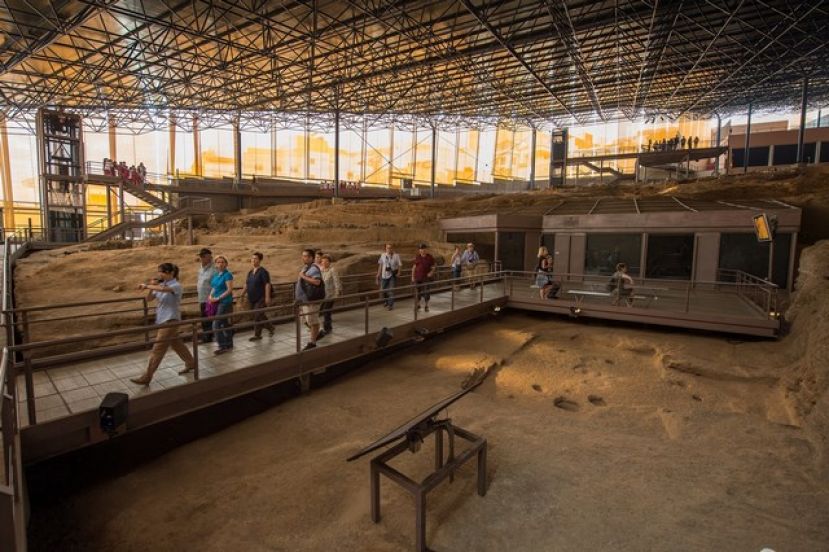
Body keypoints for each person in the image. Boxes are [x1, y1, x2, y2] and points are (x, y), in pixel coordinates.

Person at [131, 263, 195, 385]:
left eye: (162, 272)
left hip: (171, 320)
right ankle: (191, 363)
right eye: (159, 271)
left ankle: (147, 376)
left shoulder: (176, 285)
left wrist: (147, 285)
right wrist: (151, 287)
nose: (159, 274)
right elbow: (149, 299)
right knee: (177, 344)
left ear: (171, 273)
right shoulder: (160, 285)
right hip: (163, 319)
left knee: (158, 348)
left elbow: (164, 290)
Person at [240, 252, 274, 341]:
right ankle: (270, 327)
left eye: (255, 258)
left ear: (260, 260)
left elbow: (267, 284)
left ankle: (257, 335)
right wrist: (242, 295)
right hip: (252, 298)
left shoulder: (263, 272)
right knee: (259, 315)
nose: (253, 260)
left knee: (257, 315)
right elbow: (247, 284)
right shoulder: (250, 272)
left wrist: (267, 297)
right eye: (252, 258)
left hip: (261, 297)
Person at [296, 248, 324, 350]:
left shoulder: (313, 268)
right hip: (304, 300)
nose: (304, 258)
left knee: (312, 321)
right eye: (303, 256)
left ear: (311, 258)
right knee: (305, 320)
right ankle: (319, 332)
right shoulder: (306, 267)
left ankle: (312, 342)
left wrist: (303, 276)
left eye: (306, 256)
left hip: (311, 300)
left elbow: (317, 282)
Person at [209, 255, 234, 354]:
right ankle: (229, 344)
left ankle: (223, 346)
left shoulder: (227, 275)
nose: (220, 264)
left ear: (226, 264)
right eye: (218, 262)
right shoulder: (216, 275)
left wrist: (218, 298)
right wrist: (210, 296)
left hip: (224, 302)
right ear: (215, 264)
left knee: (216, 324)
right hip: (216, 302)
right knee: (224, 323)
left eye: (222, 262)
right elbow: (214, 287)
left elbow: (229, 289)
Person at [318, 254, 342, 338]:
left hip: (330, 295)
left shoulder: (332, 270)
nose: (324, 263)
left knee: (326, 311)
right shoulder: (320, 270)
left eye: (326, 261)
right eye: (323, 261)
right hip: (322, 296)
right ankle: (323, 327)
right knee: (321, 311)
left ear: (329, 262)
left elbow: (336, 281)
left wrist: (337, 292)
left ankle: (327, 328)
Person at [196, 248, 216, 343]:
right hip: (202, 298)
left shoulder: (213, 270)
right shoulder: (201, 269)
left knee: (208, 319)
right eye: (202, 256)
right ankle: (207, 336)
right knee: (204, 318)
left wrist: (212, 297)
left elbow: (215, 285)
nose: (205, 259)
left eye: (208, 257)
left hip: (209, 298)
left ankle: (208, 337)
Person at [376, 243, 401, 310]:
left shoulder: (396, 256)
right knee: (382, 290)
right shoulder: (383, 255)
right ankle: (386, 301)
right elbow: (380, 265)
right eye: (387, 248)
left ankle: (390, 305)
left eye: (390, 248)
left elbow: (399, 265)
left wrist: (399, 272)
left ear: (392, 248)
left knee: (391, 291)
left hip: (392, 275)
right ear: (385, 248)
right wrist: (378, 274)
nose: (389, 249)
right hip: (384, 276)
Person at [411, 243, 436, 312]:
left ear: (426, 249)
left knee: (426, 292)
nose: (422, 250)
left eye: (423, 249)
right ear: (419, 250)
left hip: (425, 278)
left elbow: (433, 267)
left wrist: (431, 272)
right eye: (421, 249)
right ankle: (418, 305)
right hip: (417, 277)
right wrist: (412, 276)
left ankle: (426, 305)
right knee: (417, 292)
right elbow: (414, 267)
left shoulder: (430, 257)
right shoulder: (417, 257)